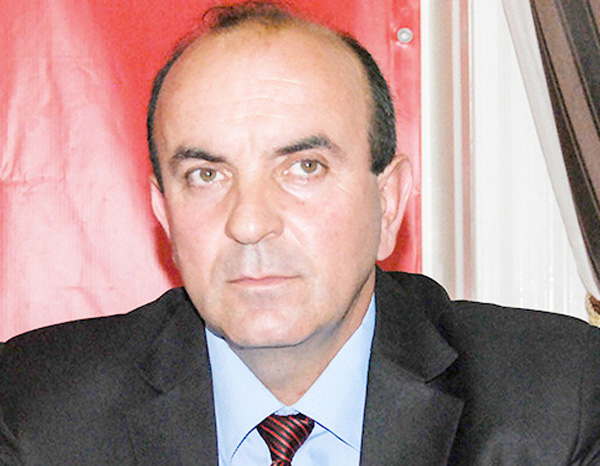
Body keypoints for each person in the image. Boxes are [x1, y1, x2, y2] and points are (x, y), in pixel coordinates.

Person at [1, 2, 600, 465]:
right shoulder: (35, 410)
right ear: (165, 214)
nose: (249, 223)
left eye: (304, 167)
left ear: (388, 203)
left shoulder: (558, 399)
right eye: (206, 175)